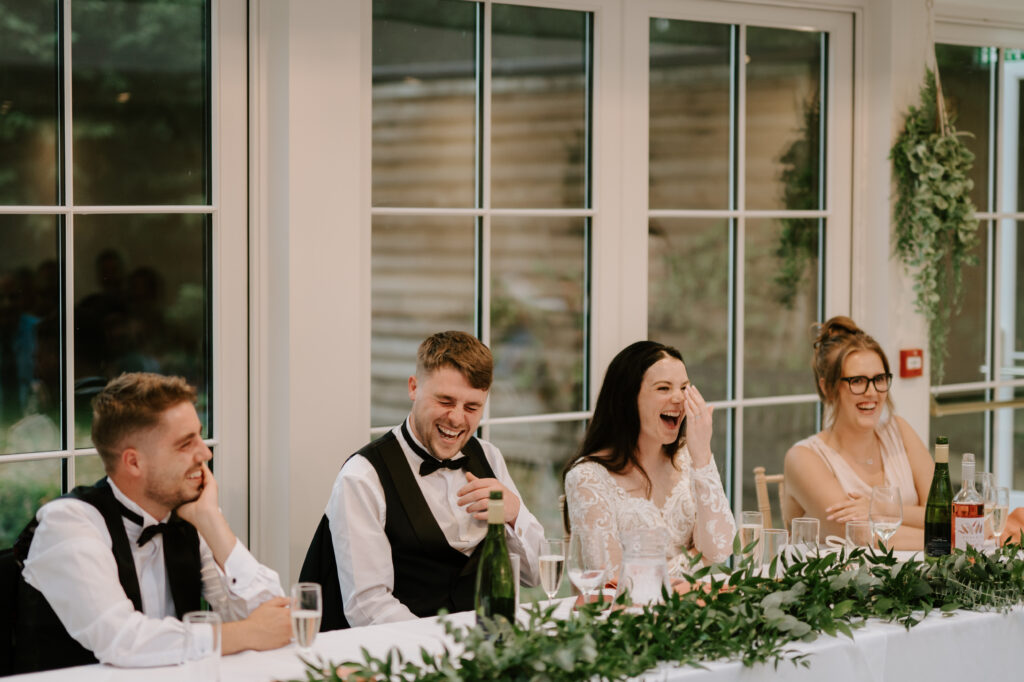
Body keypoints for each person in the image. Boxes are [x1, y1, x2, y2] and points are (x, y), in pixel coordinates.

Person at [13, 373, 291, 673]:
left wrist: (212, 522)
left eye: (200, 436)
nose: (206, 453)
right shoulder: (68, 523)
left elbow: (275, 616)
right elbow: (122, 640)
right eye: (186, 444)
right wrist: (248, 633)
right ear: (133, 462)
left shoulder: (187, 514)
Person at [306, 331, 544, 629]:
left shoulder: (490, 457)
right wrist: (445, 646)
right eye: (445, 401)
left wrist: (514, 514)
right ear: (414, 387)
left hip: (486, 649)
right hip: (405, 658)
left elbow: (535, 577)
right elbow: (368, 606)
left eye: (472, 407)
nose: (457, 419)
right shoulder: (362, 478)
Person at [562, 341, 735, 577]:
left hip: (693, 608)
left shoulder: (688, 457)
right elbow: (612, 580)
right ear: (627, 399)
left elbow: (720, 548)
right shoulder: (587, 478)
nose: (678, 398)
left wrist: (703, 455)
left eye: (684, 387)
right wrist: (696, 557)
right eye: (663, 388)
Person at [783, 316, 933, 550]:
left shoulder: (900, 432)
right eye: (857, 381)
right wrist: (948, 541)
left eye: (879, 379)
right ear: (828, 388)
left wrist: (879, 509)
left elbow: (946, 515)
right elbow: (859, 536)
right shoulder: (802, 458)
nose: (872, 392)